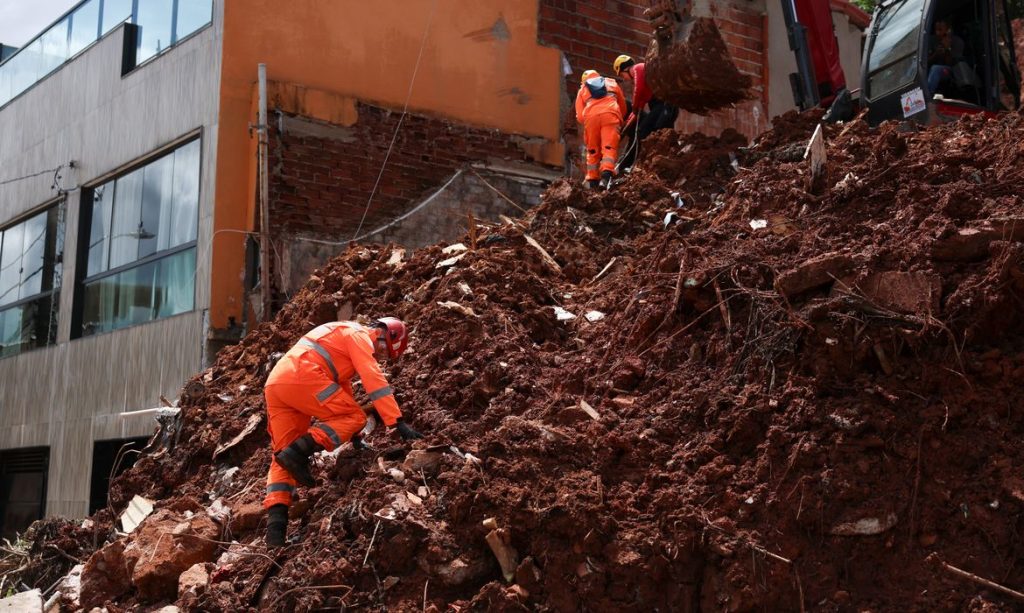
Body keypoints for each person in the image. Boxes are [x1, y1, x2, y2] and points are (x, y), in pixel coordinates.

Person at [263, 317, 423, 547]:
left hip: (278, 383)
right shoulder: (359, 336)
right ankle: (299, 452)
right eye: (384, 351)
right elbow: (373, 378)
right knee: (356, 417)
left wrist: (355, 437)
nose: (380, 357)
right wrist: (396, 421)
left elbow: (343, 393)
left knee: (281, 457)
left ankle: (274, 536)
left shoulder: (341, 337)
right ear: (383, 334)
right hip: (302, 375)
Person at [613, 54, 679, 172]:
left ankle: (633, 165)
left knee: (647, 131)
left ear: (625, 69)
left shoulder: (638, 68)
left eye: (622, 75)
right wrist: (624, 130)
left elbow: (638, 92)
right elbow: (637, 110)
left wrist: (634, 106)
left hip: (665, 106)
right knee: (653, 131)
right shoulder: (644, 80)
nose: (624, 79)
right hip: (661, 107)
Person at [574, 69, 627, 190]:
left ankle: (593, 181)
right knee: (609, 147)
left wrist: (589, 121)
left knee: (593, 150)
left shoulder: (582, 89)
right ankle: (605, 177)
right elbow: (622, 105)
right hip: (611, 115)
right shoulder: (611, 82)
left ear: (583, 81)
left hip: (591, 119)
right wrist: (620, 119)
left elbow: (580, 116)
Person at [927, 19, 965, 97]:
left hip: (951, 71)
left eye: (940, 30)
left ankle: (927, 95)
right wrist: (936, 54)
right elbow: (925, 62)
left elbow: (954, 64)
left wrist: (947, 49)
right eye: (936, 30)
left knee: (936, 69)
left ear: (948, 30)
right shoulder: (931, 40)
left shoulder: (957, 41)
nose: (938, 33)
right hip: (931, 71)